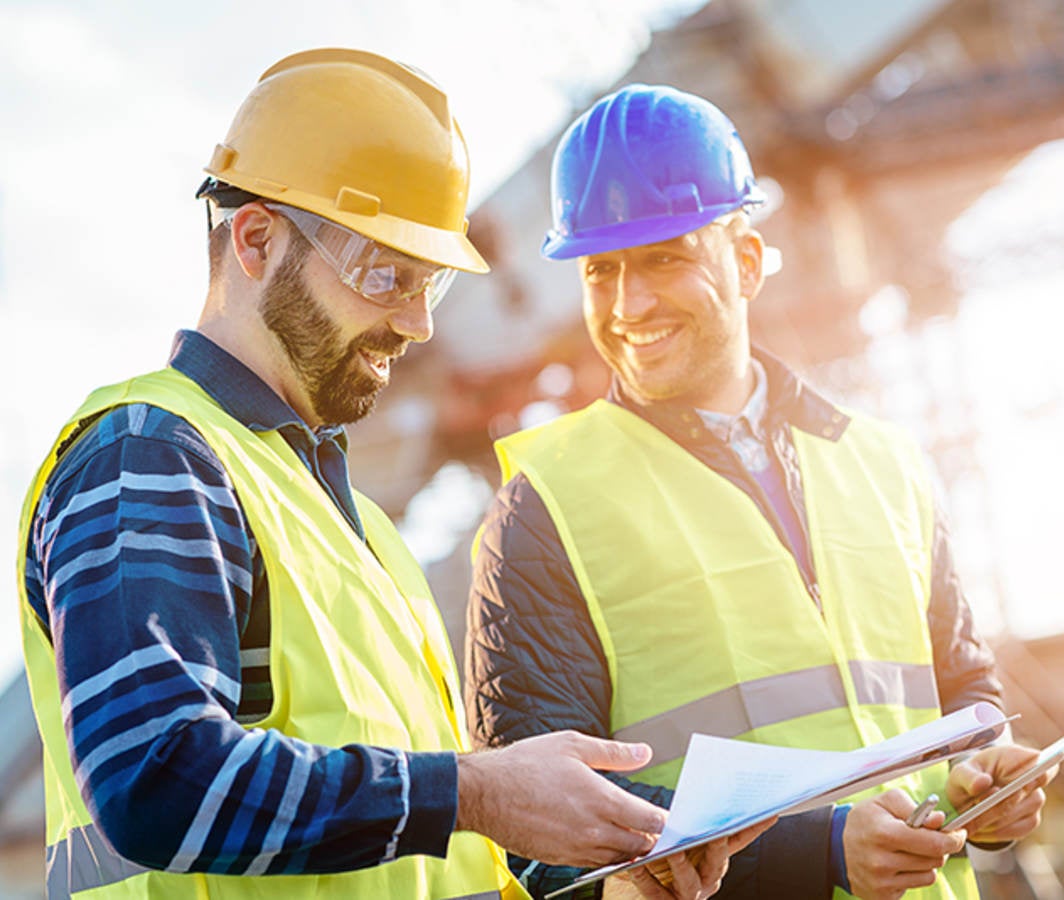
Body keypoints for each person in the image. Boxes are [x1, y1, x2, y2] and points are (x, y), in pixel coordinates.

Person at [16, 52, 767, 900]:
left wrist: (610, 883)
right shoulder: (149, 454)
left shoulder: (362, 533)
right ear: (257, 240)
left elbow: (419, 860)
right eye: (385, 276)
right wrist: (479, 790)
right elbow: (155, 778)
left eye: (431, 285)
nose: (414, 324)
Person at [464, 84, 1054, 899]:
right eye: (602, 271)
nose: (629, 305)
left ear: (745, 261)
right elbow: (543, 830)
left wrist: (985, 779)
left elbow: (962, 690)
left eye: (664, 258)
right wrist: (819, 851)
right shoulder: (546, 507)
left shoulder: (885, 462)